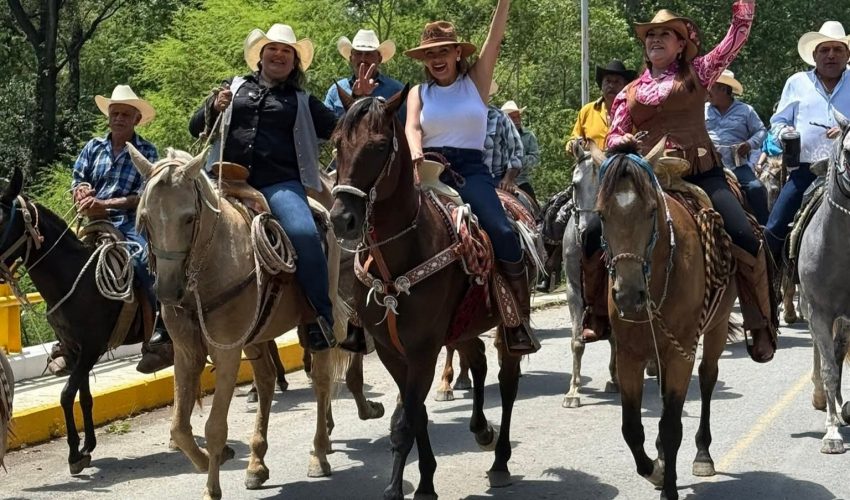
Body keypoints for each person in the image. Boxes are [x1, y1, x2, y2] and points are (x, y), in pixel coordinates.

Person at [606, 0, 777, 363]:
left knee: (745, 235)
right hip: (647, 178)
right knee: (591, 232)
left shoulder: (699, 71)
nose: (655, 39)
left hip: (701, 172)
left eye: (664, 34)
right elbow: (613, 134)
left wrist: (743, 9)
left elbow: (736, 38)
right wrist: (620, 141)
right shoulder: (629, 91)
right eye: (650, 35)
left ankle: (760, 319)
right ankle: (597, 315)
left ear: (681, 44)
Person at [188, 24, 370, 353]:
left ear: (294, 62)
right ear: (260, 56)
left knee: (303, 233)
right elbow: (195, 126)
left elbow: (343, 131)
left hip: (279, 184)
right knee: (177, 223)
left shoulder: (302, 101)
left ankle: (320, 318)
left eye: (287, 51)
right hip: (223, 179)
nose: (279, 54)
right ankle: (166, 321)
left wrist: (359, 100)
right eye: (273, 48)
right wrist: (213, 106)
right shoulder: (233, 87)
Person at [404, 0, 540, 355]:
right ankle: (370, 314)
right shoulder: (418, 93)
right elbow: (412, 126)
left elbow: (494, 39)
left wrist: (504, 4)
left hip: (470, 171)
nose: (437, 58)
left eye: (444, 51)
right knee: (387, 224)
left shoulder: (475, 82)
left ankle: (517, 320)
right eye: (430, 53)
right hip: (427, 168)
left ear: (456, 54)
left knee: (502, 231)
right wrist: (416, 153)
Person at [61, 85, 172, 374]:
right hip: (93, 222)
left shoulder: (147, 151)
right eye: (115, 113)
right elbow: (78, 178)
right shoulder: (93, 147)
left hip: (129, 222)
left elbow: (143, 195)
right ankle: (65, 339)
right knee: (63, 267)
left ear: (136, 119)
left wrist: (105, 204)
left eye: (125, 114)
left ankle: (162, 332)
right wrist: (81, 192)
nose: (119, 119)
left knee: (145, 263)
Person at [764, 21, 850, 264]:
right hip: (805, 171)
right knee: (774, 228)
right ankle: (772, 286)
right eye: (824, 50)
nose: (831, 55)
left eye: (837, 49)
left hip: (849, 172)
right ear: (814, 55)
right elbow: (777, 122)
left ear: (847, 54)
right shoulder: (796, 82)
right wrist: (786, 133)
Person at [705, 69, 770, 224]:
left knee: (756, 188)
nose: (707, 91)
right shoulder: (703, 110)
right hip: (708, 165)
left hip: (737, 165)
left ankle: (765, 229)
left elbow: (761, 131)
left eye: (711, 87)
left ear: (723, 89)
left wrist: (749, 144)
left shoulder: (746, 110)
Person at [324, 29, 406, 123]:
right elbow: (325, 127)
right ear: (351, 58)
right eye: (358, 53)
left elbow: (405, 129)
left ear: (379, 58)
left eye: (368, 54)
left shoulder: (396, 90)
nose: (363, 59)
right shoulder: (336, 91)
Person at [567, 60, 636, 151]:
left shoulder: (633, 111)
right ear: (601, 85)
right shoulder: (587, 111)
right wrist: (574, 144)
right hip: (591, 162)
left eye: (617, 82)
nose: (611, 85)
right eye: (608, 81)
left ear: (625, 87)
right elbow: (572, 140)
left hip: (623, 163)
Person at [482, 82, 524, 193]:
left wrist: (508, 178)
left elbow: (517, 151)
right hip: (462, 179)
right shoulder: (457, 119)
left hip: (496, 179)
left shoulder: (499, 117)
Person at [502, 100, 540, 200]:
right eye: (513, 117)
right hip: (499, 178)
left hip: (521, 180)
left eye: (518, 116)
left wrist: (519, 161)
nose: (517, 120)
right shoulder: (499, 135)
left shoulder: (528, 136)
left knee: (534, 206)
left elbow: (535, 158)